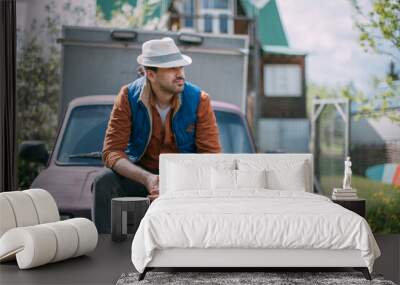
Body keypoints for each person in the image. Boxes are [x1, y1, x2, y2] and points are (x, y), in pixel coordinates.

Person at [92, 37, 222, 233]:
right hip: (141, 176)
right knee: (103, 182)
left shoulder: (199, 100)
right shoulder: (127, 96)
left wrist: (174, 184)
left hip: (186, 180)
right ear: (150, 74)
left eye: (181, 67)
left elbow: (211, 157)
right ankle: (105, 250)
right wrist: (147, 179)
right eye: (171, 68)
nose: (180, 74)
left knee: (217, 187)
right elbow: (112, 151)